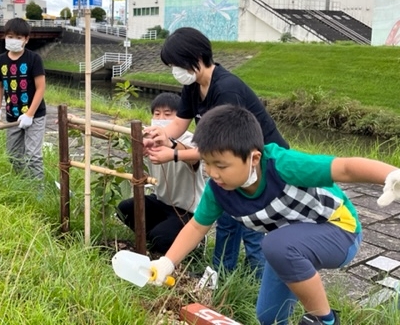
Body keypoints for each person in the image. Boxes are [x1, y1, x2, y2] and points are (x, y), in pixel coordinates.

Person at [148, 104, 400, 325]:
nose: (212, 173)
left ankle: (325, 319)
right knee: (269, 316)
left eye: (221, 165)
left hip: (340, 232)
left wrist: (391, 175)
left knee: (276, 244)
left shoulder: (282, 165)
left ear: (254, 157)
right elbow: (195, 227)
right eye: (207, 163)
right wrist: (166, 263)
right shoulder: (218, 191)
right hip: (289, 245)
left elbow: (344, 168)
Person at [145, 27, 290, 278]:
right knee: (227, 220)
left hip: (260, 165)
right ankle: (223, 274)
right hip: (231, 163)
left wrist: (175, 155)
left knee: (252, 226)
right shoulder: (194, 85)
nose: (175, 71)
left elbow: (216, 147)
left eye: (177, 64)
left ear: (197, 57)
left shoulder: (226, 90)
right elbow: (181, 122)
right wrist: (162, 135)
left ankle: (258, 282)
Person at [117, 92, 205, 254]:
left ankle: (194, 244)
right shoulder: (149, 139)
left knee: (161, 237)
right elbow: (115, 135)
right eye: (157, 114)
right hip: (161, 201)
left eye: (167, 114)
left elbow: (194, 158)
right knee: (125, 209)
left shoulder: (188, 141)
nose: (161, 118)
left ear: (180, 117)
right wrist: (80, 126)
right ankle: (156, 237)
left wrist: (171, 147)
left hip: (188, 210)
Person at [0, 18, 46, 181]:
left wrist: (29, 114)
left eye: (19, 37)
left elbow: (41, 88)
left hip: (35, 116)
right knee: (13, 155)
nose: (14, 40)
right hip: (12, 115)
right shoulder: (0, 60)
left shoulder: (33, 59)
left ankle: (38, 191)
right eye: (10, 36)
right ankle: (24, 183)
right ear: (5, 37)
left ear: (26, 39)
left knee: (33, 156)